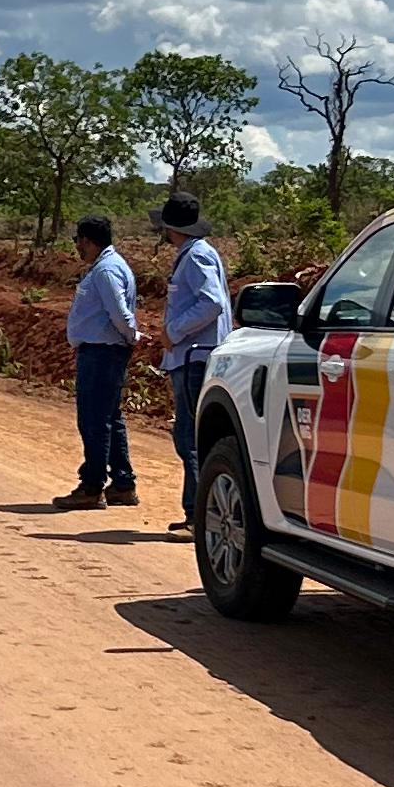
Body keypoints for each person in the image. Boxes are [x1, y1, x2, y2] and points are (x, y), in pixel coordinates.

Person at [151, 190, 230, 539]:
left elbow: (211, 302)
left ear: (170, 228)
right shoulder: (196, 254)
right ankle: (197, 513)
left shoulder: (196, 256)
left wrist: (174, 331)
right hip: (193, 356)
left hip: (194, 357)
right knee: (190, 437)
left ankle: (198, 517)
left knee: (191, 438)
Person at [56, 213, 141, 510]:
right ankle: (123, 484)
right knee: (109, 418)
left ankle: (92, 487)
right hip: (103, 351)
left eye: (78, 241)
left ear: (89, 241)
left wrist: (132, 335)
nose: (77, 247)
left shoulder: (106, 270)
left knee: (94, 420)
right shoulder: (107, 266)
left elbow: (119, 313)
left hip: (103, 352)